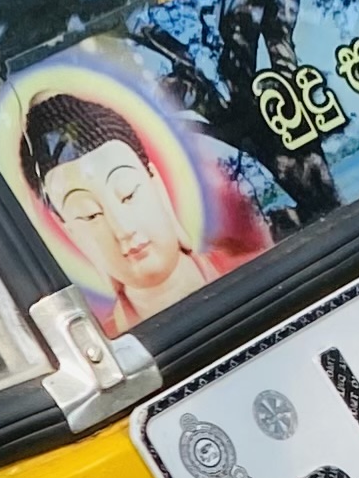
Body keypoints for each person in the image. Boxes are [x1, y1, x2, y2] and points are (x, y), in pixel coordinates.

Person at [19, 91, 213, 324]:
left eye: (128, 194)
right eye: (90, 214)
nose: (123, 229)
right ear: (70, 232)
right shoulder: (107, 348)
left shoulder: (257, 264)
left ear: (155, 182)